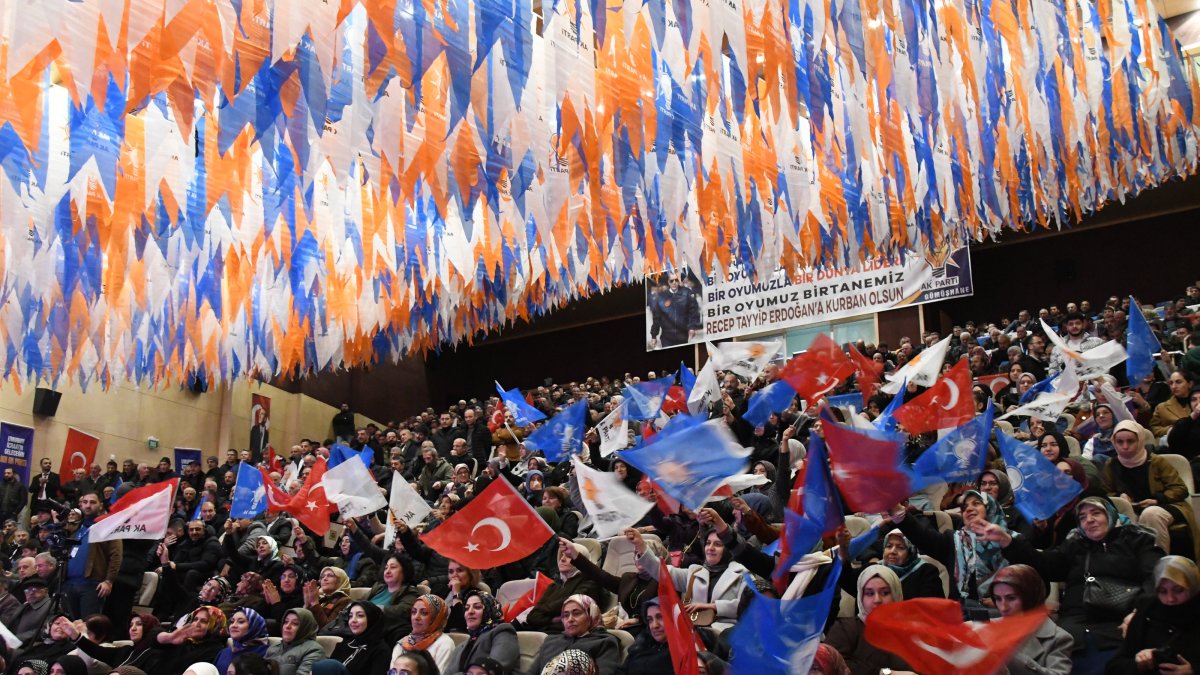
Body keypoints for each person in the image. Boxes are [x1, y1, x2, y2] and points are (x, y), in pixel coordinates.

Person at [979, 497, 1163, 673]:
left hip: (1120, 620)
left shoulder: (1137, 540)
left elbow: (1156, 577)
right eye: (1082, 517)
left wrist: (1139, 612)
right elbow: (1044, 563)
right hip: (1076, 625)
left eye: (1096, 513)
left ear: (1110, 514)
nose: (1089, 520)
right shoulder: (1076, 545)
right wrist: (1007, 540)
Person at [890, 490, 1010, 610]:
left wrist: (1002, 600)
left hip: (1006, 615)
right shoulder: (954, 541)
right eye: (965, 506)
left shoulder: (1010, 541)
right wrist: (896, 510)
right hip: (964, 617)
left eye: (976, 503)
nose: (969, 509)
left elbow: (1025, 578)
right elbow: (922, 536)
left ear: (991, 508)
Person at [1101, 419, 1200, 559]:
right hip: (1131, 509)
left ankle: (1156, 565)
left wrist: (1157, 500)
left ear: (1140, 441)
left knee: (1150, 514)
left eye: (1130, 441)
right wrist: (1120, 496)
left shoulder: (1156, 461)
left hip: (1166, 505)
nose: (1125, 446)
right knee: (1122, 518)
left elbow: (1179, 488)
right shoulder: (1111, 465)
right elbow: (1105, 493)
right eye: (1120, 442)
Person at [634, 525, 748, 632]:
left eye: (718, 544)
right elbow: (661, 571)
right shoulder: (695, 572)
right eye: (708, 543)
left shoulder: (742, 574)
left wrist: (713, 606)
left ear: (729, 549)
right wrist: (641, 546)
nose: (710, 548)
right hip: (692, 631)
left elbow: (750, 607)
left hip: (726, 634)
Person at [1106, 555, 1200, 674]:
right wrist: (1139, 664)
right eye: (1162, 591)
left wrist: (1192, 671)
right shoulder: (1148, 610)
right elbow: (1115, 666)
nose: (1170, 598)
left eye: (1178, 590)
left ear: (1193, 587)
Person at [558, 534, 663, 634]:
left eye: (643, 554)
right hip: (623, 627)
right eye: (636, 554)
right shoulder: (628, 578)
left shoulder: (664, 581)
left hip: (651, 629)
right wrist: (574, 555)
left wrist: (637, 620)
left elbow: (665, 610)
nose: (638, 557)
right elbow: (600, 576)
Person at [823, 565, 910, 675]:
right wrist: (883, 673)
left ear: (896, 594)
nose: (877, 600)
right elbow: (830, 662)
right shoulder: (846, 629)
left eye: (885, 593)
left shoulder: (911, 633)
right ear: (861, 597)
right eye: (869, 593)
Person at [986, 564, 1073, 675]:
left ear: (1030, 597)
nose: (1003, 607)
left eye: (1011, 598)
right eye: (998, 599)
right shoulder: (984, 628)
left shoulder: (1058, 638)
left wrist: (1008, 654)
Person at [837, 528, 944, 600]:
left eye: (900, 547)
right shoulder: (873, 569)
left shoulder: (926, 572)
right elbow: (847, 580)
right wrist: (843, 549)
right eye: (889, 546)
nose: (893, 551)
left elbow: (930, 608)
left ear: (911, 552)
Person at [522, 541, 605, 633]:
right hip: (548, 634)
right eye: (561, 555)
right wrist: (553, 620)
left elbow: (573, 606)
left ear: (581, 561)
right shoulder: (554, 586)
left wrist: (545, 612)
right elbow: (532, 617)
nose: (562, 559)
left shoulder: (591, 582)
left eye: (569, 557)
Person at [528, 595, 620, 675]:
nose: (570, 619)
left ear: (591, 614)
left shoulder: (604, 642)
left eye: (576, 613)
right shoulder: (551, 640)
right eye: (566, 615)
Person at [57, 612, 164, 671]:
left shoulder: (157, 655)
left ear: (150, 627)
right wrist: (74, 634)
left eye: (139, 624)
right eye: (131, 625)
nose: (133, 628)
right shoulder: (126, 651)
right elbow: (95, 650)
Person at [447, 590, 519, 675]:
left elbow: (495, 669)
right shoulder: (463, 645)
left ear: (490, 609)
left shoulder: (503, 631)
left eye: (477, 607)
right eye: (466, 608)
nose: (470, 612)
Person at [156, 606, 230, 675]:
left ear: (215, 626)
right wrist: (169, 638)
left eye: (204, 621)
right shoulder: (185, 639)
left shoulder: (215, 650)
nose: (196, 624)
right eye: (195, 619)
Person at [392, 594, 454, 674]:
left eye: (424, 613)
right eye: (413, 612)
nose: (416, 617)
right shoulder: (402, 644)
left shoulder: (445, 644)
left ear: (436, 617)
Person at [328, 602, 392, 675]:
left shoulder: (381, 651)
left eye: (360, 615)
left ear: (371, 619)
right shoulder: (345, 643)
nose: (353, 620)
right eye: (350, 616)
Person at [613, 599, 670, 675]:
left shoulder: (680, 654)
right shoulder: (642, 645)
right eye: (650, 620)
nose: (654, 625)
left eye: (660, 617)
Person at [648, 272, 701, 348]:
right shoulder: (661, 297)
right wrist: (654, 336)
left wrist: (692, 327)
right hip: (667, 337)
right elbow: (657, 317)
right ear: (668, 282)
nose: (674, 283)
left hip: (683, 335)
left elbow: (693, 311)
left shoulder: (687, 293)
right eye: (671, 281)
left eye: (676, 280)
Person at [264, 608, 325, 675]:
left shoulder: (314, 650)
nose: (288, 626)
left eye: (295, 623)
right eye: (286, 622)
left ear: (305, 627)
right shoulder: (274, 647)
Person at [214, 607, 270, 675]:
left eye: (241, 622)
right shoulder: (224, 652)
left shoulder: (266, 652)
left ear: (254, 625)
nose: (233, 625)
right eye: (232, 621)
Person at [306, 567, 353, 633]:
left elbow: (327, 628)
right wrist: (306, 604)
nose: (325, 579)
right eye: (322, 576)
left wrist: (315, 603)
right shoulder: (321, 599)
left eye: (330, 575)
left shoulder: (345, 601)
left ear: (341, 580)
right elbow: (304, 625)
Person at [1151, 372, 1194, 440]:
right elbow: (1153, 428)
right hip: (1173, 443)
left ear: (1190, 384)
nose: (1174, 386)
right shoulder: (1162, 407)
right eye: (1171, 383)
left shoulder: (1197, 404)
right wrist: (1170, 430)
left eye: (1178, 382)